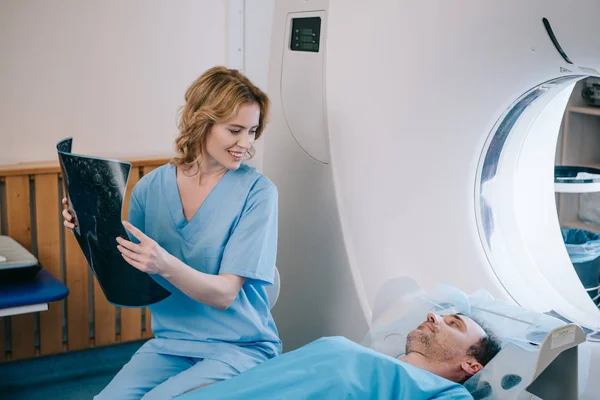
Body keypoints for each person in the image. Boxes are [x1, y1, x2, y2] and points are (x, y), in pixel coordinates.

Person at [62, 66, 281, 399]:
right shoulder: (151, 188)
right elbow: (129, 276)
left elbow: (224, 295)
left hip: (240, 347)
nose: (245, 144)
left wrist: (164, 264)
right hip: (170, 343)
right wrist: (87, 228)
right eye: (234, 130)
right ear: (201, 123)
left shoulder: (258, 193)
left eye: (252, 131)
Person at [178, 312, 502, 399]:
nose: (434, 315)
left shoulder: (446, 394)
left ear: (471, 365)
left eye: (453, 324)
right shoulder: (361, 355)